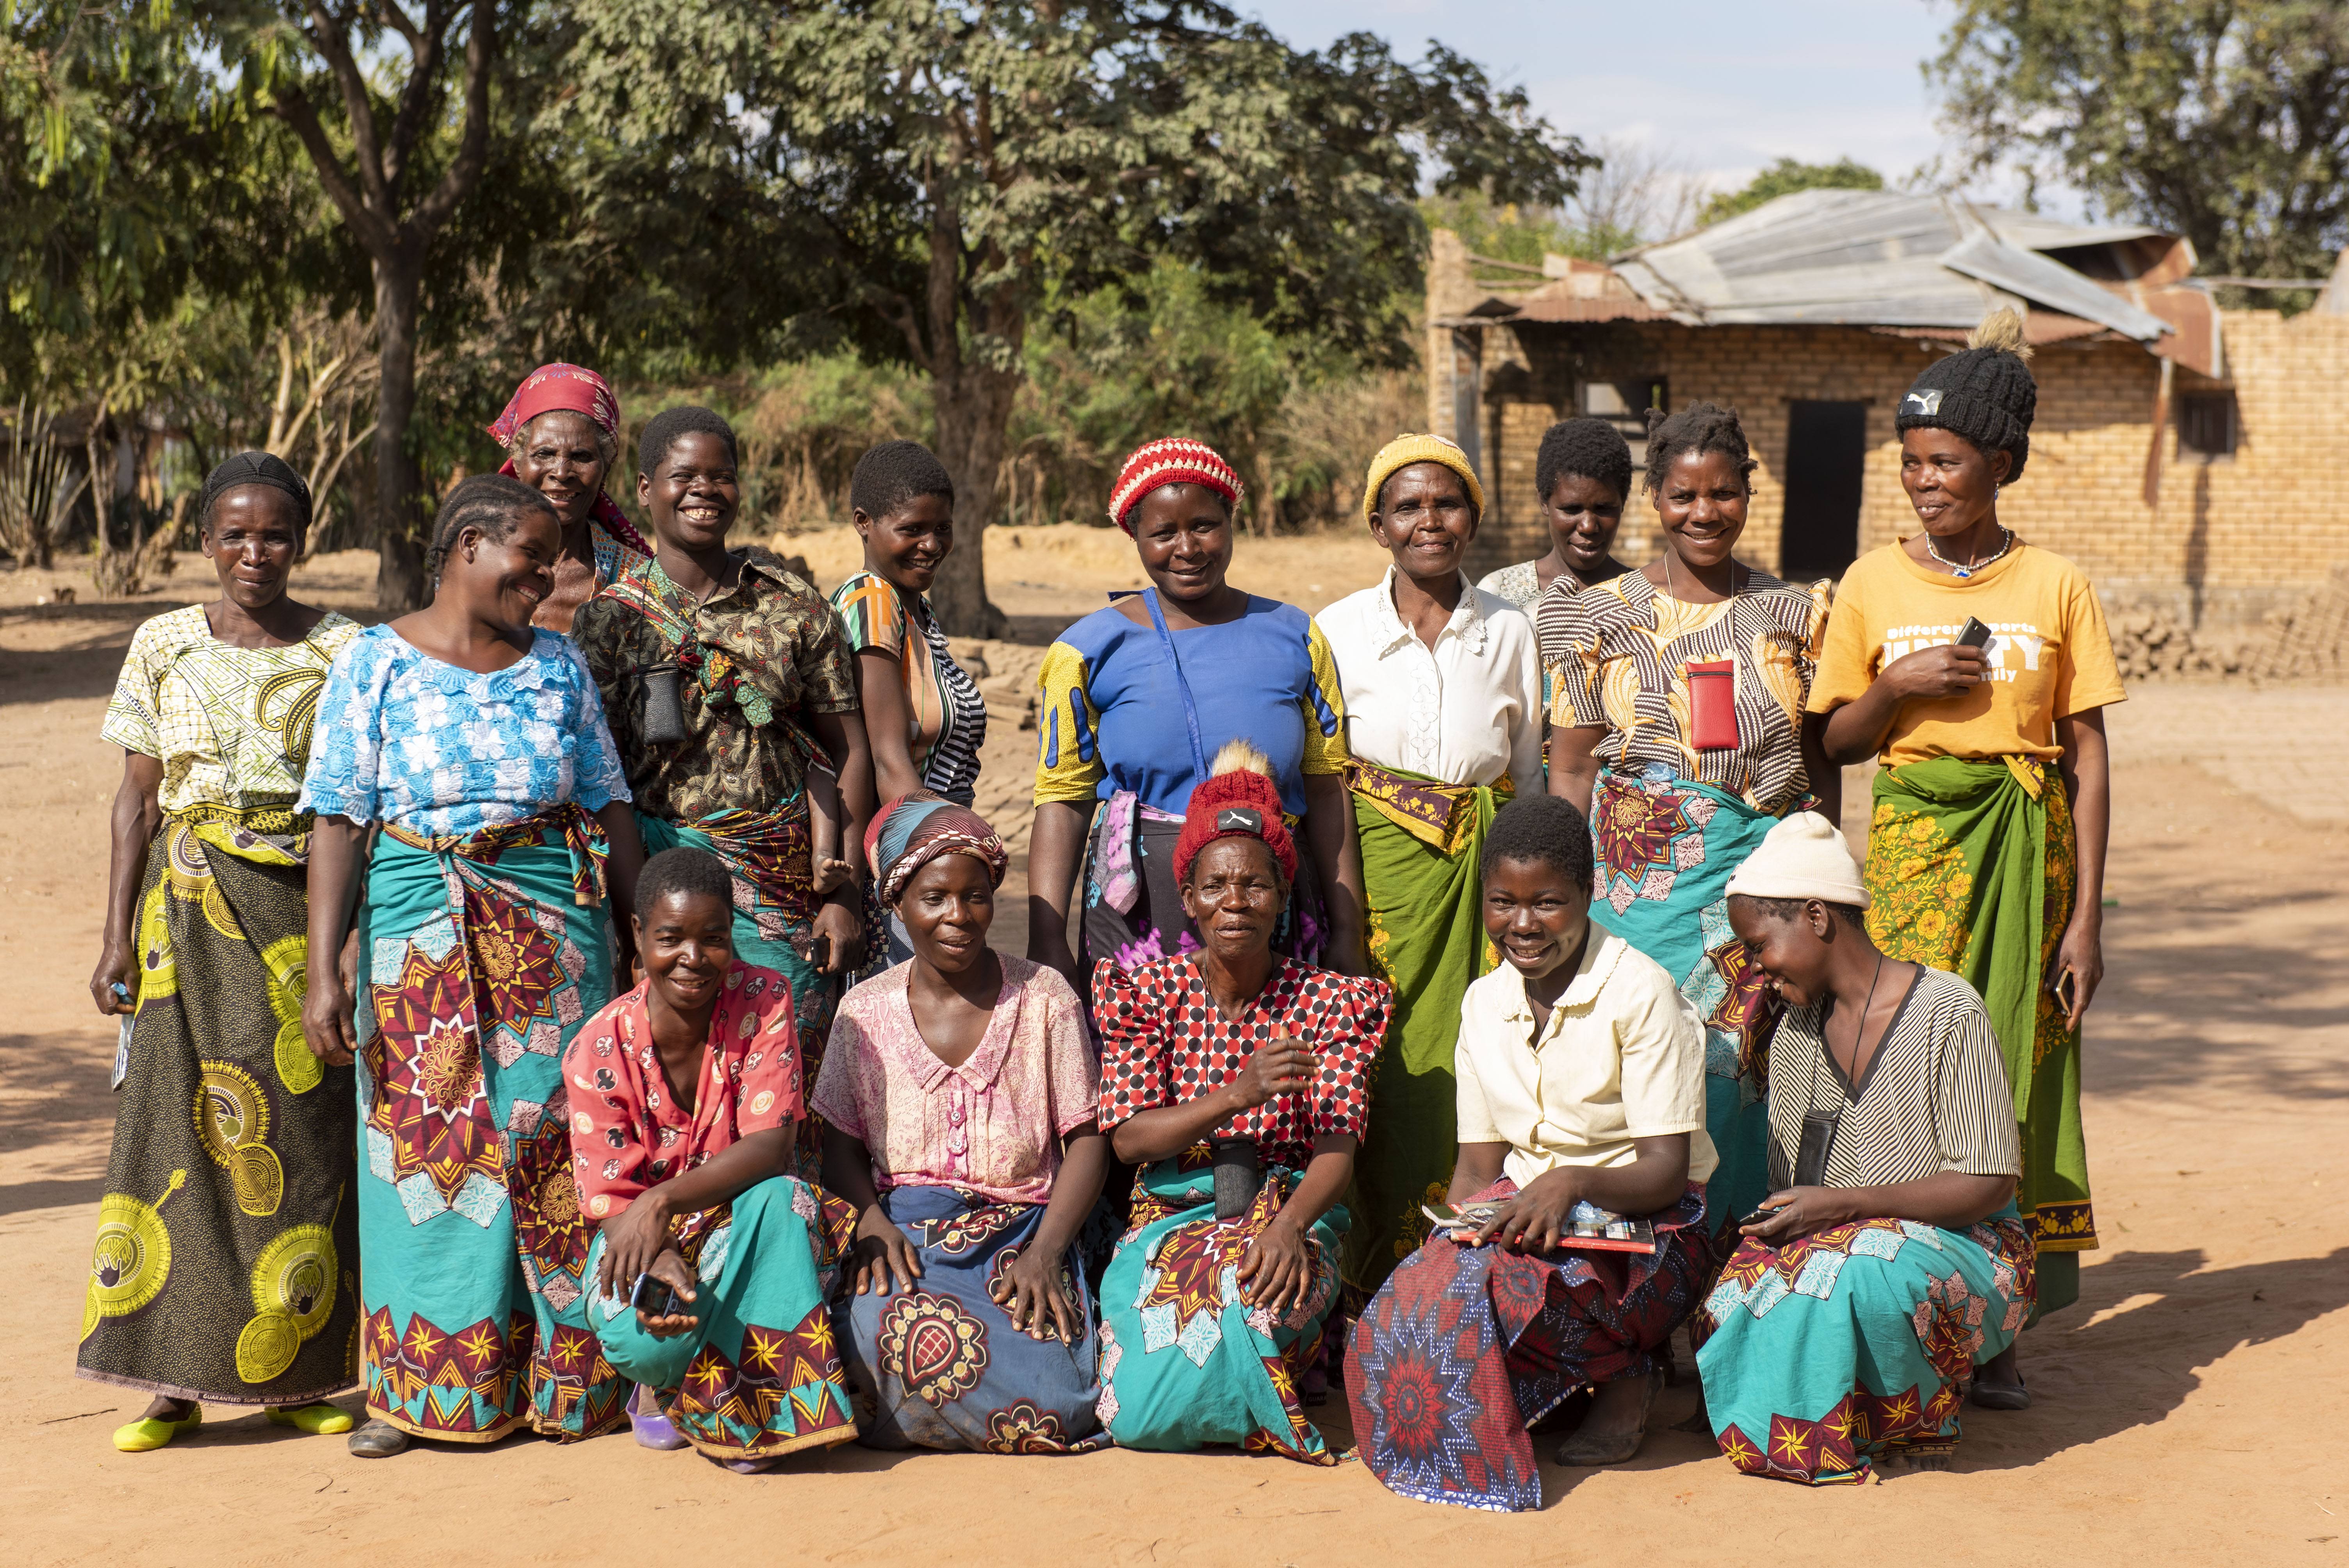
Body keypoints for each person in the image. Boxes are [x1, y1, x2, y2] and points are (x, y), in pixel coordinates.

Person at [299, 473, 648, 1458]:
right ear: (465, 546)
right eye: (528, 558)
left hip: (552, 931)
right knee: (429, 1150)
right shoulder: (371, 662)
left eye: (549, 563)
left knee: (550, 1140)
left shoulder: (560, 668)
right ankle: (421, 1390)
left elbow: (610, 805)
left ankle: (565, 1382)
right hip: (417, 926)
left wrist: (643, 944)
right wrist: (326, 969)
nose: (544, 578)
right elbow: (339, 818)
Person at [1808, 308, 2119, 1401]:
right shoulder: (1870, 584)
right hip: (1912, 849)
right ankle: (1909, 1304)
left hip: (2029, 859)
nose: (1925, 482)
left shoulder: (2056, 587)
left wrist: (2083, 918)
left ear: (2002, 464)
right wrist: (1896, 691)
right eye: (1911, 465)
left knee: (2017, 1069)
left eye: (1945, 462)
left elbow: (2086, 752)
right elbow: (1833, 741)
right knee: (1909, 1062)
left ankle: (2001, 1322)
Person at [78, 454, 363, 1452]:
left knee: (301, 1136)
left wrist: (342, 947)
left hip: (296, 920)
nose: (255, 552)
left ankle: (300, 1375)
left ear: (303, 539)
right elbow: (137, 798)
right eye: (235, 533)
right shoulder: (162, 642)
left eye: (276, 533)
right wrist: (115, 929)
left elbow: (348, 810)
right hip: (183, 919)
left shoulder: (345, 649)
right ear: (204, 540)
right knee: (173, 1137)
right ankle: (170, 1384)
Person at [1346, 795, 1717, 1510]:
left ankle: (1628, 1372)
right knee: (1413, 1302)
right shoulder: (1485, 1003)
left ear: (1586, 893)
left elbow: (1668, 1172)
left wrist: (1569, 1182)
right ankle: (1562, 1384)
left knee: (1518, 1294)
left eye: (1547, 902)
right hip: (1527, 1219)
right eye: (1502, 903)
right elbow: (1478, 1173)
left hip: (1655, 1235)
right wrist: (1441, 1255)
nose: (1522, 924)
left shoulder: (1640, 992)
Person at [1541, 403, 1834, 1245]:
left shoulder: (1796, 616)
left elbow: (1819, 770)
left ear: (1748, 492)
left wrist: (1822, 878)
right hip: (1634, 898)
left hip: (1762, 893)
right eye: (1681, 495)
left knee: (1748, 1081)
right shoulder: (1597, 619)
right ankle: (1636, 1282)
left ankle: (1728, 1276)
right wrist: (1571, 893)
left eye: (1722, 493)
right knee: (1636, 1073)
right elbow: (1571, 766)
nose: (1703, 513)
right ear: (1655, 501)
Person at [574, 405, 875, 1179]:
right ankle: (680, 1259)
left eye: (719, 475)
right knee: (672, 1081)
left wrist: (842, 892)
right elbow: (595, 776)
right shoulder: (609, 620)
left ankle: (791, 1257)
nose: (704, 490)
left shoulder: (792, 603)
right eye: (684, 477)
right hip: (664, 883)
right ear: (646, 490)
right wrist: (626, 906)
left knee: (785, 1074)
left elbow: (849, 751)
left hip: (784, 888)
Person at [1695, 812, 2034, 1483]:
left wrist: (1843, 1206)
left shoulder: (1948, 1011)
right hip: (1847, 1240)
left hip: (1974, 1247)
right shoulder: (1794, 1034)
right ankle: (1849, 1410)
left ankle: (1917, 1410)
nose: (1757, 968)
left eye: (1760, 944)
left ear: (1817, 918)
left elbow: (1990, 1182)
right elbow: (1801, 1189)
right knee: (1734, 1295)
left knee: (1862, 1273)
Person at [1091, 743, 1392, 1463]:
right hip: (1171, 1215)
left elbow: (1336, 1150)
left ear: (1283, 897)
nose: (1235, 902)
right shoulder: (1146, 994)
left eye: (1256, 886)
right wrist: (1240, 1093)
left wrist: (1290, 1228)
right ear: (1188, 898)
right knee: (1133, 1414)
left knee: (1246, 1295)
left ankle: (1258, 1388)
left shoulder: (1328, 1003)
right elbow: (1131, 1141)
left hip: (1288, 1209)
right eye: (1216, 885)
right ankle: (1248, 1398)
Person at [1314, 434, 1542, 1302]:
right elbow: (1327, 773)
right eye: (1406, 507)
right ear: (1378, 526)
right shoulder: (1336, 630)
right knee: (1382, 1056)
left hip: (1480, 876)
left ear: (1472, 519)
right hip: (1375, 881)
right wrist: (1340, 913)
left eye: (1445, 505)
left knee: (1477, 1051)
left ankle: (1454, 1278)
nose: (1428, 522)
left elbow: (1522, 767)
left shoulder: (1510, 631)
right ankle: (1368, 1281)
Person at [816, 799, 1111, 1453]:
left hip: (1022, 1235)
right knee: (863, 1331)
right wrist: (869, 1222)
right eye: (935, 897)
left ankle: (913, 1418)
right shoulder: (864, 1010)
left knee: (1060, 1398)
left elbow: (1087, 1143)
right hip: (908, 1237)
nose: (958, 916)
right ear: (898, 905)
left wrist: (1046, 1252)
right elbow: (837, 1149)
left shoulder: (1045, 998)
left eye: (975, 897)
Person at [1028, 437, 1363, 987]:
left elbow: (1327, 788)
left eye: (1205, 525)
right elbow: (1063, 800)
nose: (1187, 548)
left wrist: (1346, 931)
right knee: (1142, 1066)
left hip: (1270, 909)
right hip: (1140, 916)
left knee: (1273, 1064)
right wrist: (1047, 939)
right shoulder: (1085, 651)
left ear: (1232, 520)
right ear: (1134, 535)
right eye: (1162, 533)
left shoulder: (1296, 635)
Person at [572, 848, 860, 1472]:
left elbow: (769, 1146)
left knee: (784, 1199)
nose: (694, 959)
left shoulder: (763, 999)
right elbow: (612, 1203)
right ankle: (669, 1378)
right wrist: (658, 1245)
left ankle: (753, 1409)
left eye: (713, 938)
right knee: (641, 1345)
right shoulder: (597, 1046)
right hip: (644, 1239)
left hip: (742, 1238)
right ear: (638, 935)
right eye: (671, 938)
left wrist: (663, 1199)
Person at [830, 441, 988, 965]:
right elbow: (887, 758)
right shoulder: (872, 601)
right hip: (911, 859)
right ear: (864, 523)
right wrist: (941, 856)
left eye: (942, 528)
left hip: (933, 854)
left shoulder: (915, 609)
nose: (932, 544)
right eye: (912, 529)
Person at [485, 362, 652, 634]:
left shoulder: (636, 580)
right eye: (544, 454)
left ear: (606, 467)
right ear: (517, 463)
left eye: (581, 457)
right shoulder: (479, 560)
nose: (562, 473)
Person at [1475, 417, 1635, 613]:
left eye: (1603, 509)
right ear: (1544, 502)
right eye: (1571, 509)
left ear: (1623, 503)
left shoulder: (1650, 599)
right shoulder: (1498, 594)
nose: (1588, 526)